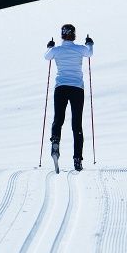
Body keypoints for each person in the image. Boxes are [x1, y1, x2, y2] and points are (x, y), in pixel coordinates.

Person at [44, 23, 94, 172]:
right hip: (77, 89)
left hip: (61, 88)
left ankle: (55, 142)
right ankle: (77, 159)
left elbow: (47, 57)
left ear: (62, 35)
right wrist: (89, 43)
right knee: (76, 124)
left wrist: (49, 46)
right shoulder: (80, 49)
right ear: (74, 35)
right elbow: (90, 53)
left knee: (58, 119)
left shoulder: (56, 51)